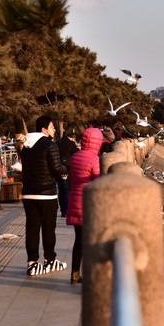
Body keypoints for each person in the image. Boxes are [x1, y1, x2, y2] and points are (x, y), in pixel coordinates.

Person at [21, 116, 68, 276]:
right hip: (46, 194)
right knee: (49, 229)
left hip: (28, 194)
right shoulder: (50, 145)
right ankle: (50, 260)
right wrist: (68, 168)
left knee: (32, 229)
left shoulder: (26, 147)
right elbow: (56, 169)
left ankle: (32, 263)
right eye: (52, 126)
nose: (54, 129)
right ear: (44, 129)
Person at [66, 128, 103, 284]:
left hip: (74, 201)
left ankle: (75, 274)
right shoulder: (94, 159)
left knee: (79, 240)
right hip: (88, 204)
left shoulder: (74, 157)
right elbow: (96, 181)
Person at [57, 132, 79, 218]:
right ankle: (67, 210)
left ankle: (63, 210)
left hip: (58, 168)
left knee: (61, 190)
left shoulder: (57, 143)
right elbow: (75, 154)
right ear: (72, 138)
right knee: (67, 189)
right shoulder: (71, 144)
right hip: (67, 168)